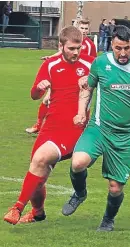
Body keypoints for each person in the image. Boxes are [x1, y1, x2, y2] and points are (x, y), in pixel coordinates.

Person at [61, 25, 130, 231]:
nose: (123, 53)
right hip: (99, 128)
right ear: (112, 45)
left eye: (127, 48)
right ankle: (80, 194)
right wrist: (81, 111)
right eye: (118, 48)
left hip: (125, 136)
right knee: (78, 162)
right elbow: (87, 88)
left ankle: (108, 220)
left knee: (116, 187)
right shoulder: (101, 63)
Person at [3, 26, 94, 225]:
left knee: (40, 159)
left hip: (74, 128)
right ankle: (38, 213)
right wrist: (40, 87)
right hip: (50, 126)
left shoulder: (90, 64)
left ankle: (17, 207)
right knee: (37, 173)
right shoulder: (51, 64)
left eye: (78, 48)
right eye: (71, 48)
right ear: (60, 46)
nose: (76, 52)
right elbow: (34, 95)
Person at [26, 19, 97, 134]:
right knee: (46, 100)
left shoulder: (90, 46)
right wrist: (51, 58)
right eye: (82, 28)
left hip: (82, 79)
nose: (84, 31)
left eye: (86, 28)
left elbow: (95, 64)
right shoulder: (65, 46)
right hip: (63, 75)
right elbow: (61, 54)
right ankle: (39, 125)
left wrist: (89, 77)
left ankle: (81, 122)